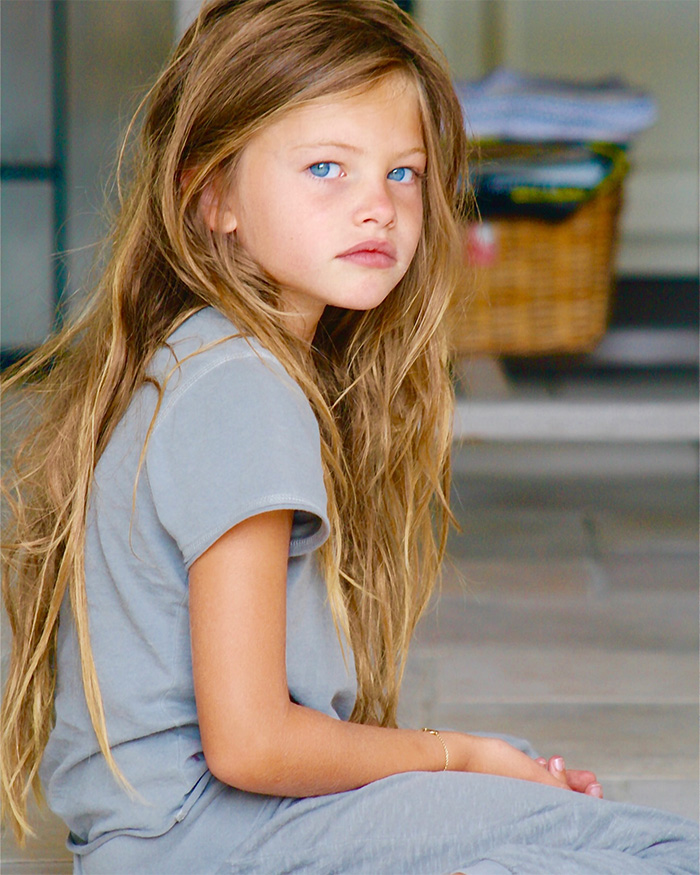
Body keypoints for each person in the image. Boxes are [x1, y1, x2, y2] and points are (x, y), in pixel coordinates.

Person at [1, 1, 697, 872]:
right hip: (208, 840)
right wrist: (460, 755)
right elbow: (251, 745)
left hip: (177, 838)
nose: (376, 206)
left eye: (403, 174)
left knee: (559, 811)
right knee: (654, 850)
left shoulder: (210, 355)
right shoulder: (242, 388)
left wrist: (473, 762)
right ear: (211, 194)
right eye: (327, 166)